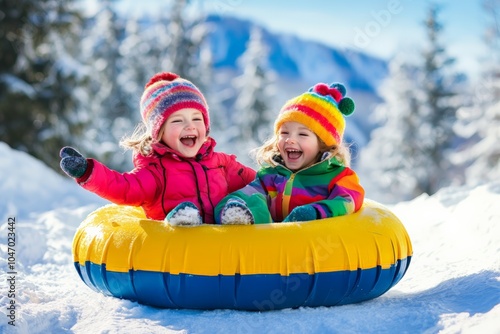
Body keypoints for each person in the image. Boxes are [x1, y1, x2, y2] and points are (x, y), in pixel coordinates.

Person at [59, 72, 256, 226]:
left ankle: (232, 218)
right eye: (178, 120)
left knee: (244, 201)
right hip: (175, 254)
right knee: (184, 213)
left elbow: (259, 183)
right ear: (159, 131)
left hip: (221, 250)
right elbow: (124, 188)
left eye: (197, 119)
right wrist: (87, 172)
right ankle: (182, 221)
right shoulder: (155, 170)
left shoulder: (222, 163)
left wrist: (281, 173)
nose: (190, 126)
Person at [215, 82, 365, 224]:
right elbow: (250, 193)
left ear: (323, 144)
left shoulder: (338, 177)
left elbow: (349, 199)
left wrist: (315, 212)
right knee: (254, 199)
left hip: (314, 246)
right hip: (275, 245)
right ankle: (240, 216)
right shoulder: (271, 176)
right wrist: (235, 203)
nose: (290, 140)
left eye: (303, 134)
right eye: (284, 132)